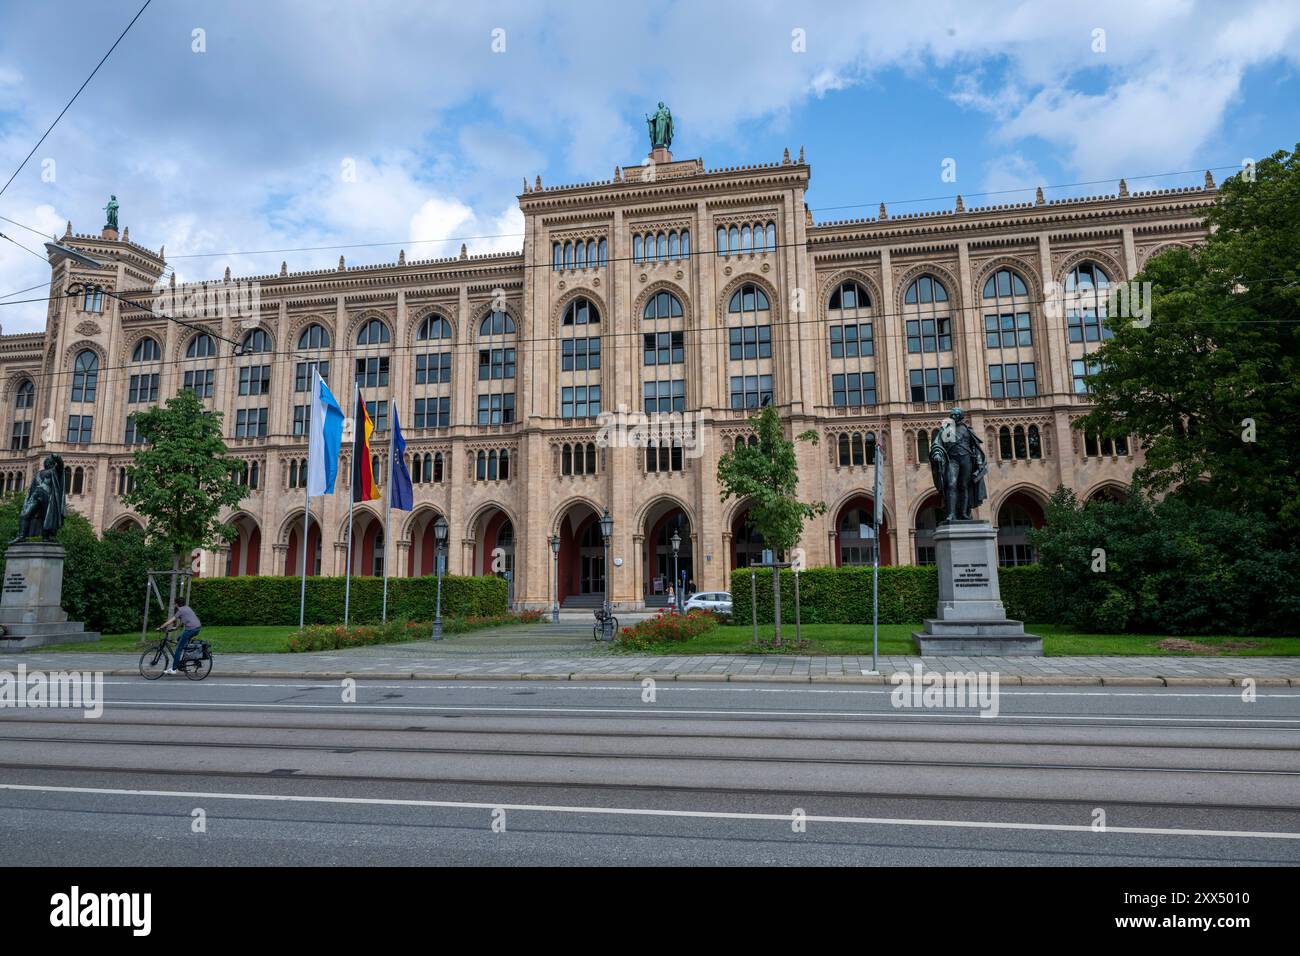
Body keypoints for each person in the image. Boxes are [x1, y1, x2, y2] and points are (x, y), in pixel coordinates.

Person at [159, 600, 202, 675]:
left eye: (175, 604)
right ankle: (186, 659)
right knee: (180, 639)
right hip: (197, 628)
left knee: (178, 648)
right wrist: (176, 627)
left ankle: (174, 669)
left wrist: (161, 627)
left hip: (190, 629)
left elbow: (171, 620)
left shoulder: (180, 610)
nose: (175, 605)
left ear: (177, 604)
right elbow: (184, 619)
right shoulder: (187, 608)